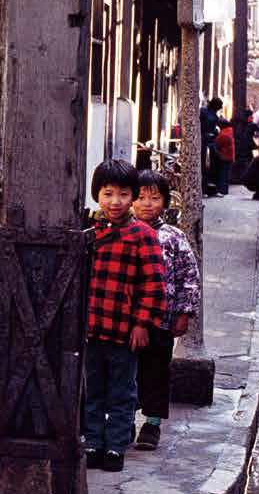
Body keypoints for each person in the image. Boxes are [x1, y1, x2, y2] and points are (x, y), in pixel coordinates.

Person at [83, 160, 165, 472]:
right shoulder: (90, 232)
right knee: (92, 391)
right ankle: (93, 442)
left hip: (124, 332)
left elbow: (154, 284)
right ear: (97, 195)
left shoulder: (142, 234)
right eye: (107, 194)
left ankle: (116, 446)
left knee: (122, 393)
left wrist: (142, 324)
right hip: (92, 329)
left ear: (132, 196)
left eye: (123, 194)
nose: (115, 201)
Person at [131, 172, 199, 452]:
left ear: (166, 202)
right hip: (127, 320)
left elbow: (189, 276)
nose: (147, 204)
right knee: (126, 371)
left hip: (162, 320)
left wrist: (184, 313)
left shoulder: (173, 237)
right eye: (140, 197)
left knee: (156, 370)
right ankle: (124, 420)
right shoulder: (124, 233)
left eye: (154, 198)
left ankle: (152, 423)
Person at [200, 97, 223, 193]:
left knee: (214, 163)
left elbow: (213, 128)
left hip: (210, 141)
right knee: (204, 165)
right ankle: (204, 188)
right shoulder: (204, 111)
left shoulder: (213, 114)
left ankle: (211, 187)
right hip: (204, 141)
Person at [212, 120, 235, 196]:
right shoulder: (230, 131)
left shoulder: (223, 134)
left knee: (222, 175)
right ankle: (225, 190)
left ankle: (222, 190)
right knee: (226, 175)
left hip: (224, 156)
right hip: (230, 156)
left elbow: (217, 143)